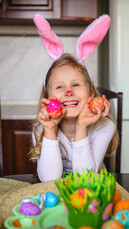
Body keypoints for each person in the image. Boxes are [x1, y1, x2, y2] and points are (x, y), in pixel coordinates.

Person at [29, 14, 119, 181]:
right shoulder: (41, 127)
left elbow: (84, 178)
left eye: (76, 85)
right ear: (48, 97)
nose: (68, 91)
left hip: (91, 190)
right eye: (59, 87)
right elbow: (49, 180)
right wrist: (50, 130)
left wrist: (82, 126)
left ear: (91, 94)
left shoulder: (104, 126)